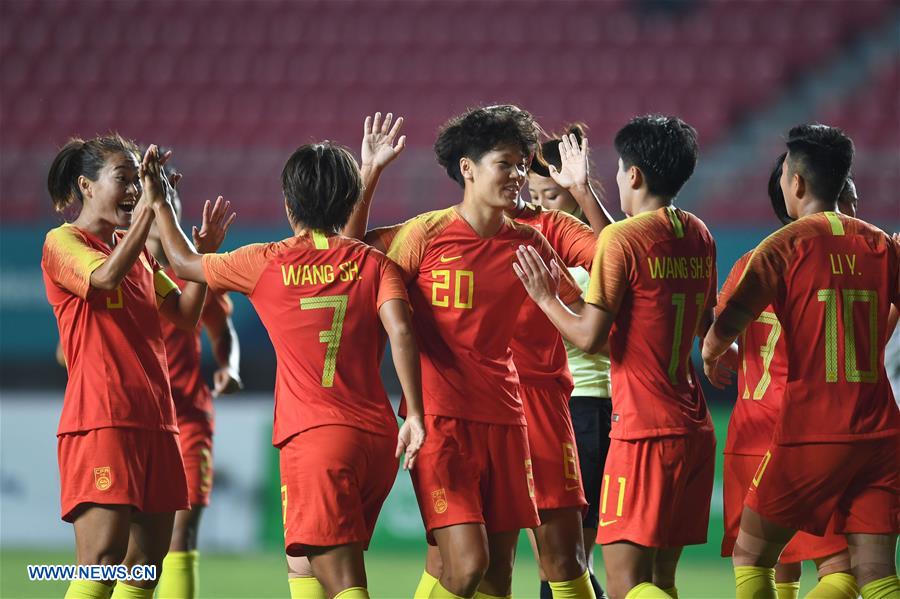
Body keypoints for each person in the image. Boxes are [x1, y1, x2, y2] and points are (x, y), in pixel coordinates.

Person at [150, 140, 425, 599]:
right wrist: (413, 413)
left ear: (287, 202)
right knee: (303, 565)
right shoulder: (374, 262)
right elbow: (402, 332)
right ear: (347, 198)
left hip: (315, 437)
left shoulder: (266, 261)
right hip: (376, 438)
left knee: (341, 578)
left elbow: (182, 263)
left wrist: (159, 202)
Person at [356, 105, 584, 599]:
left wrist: (550, 300)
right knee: (466, 565)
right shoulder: (422, 235)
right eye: (506, 163)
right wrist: (369, 175)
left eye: (523, 164)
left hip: (506, 421)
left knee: (497, 576)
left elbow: (587, 321)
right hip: (440, 421)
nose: (519, 175)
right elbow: (348, 254)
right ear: (468, 168)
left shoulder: (530, 244)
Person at [514, 115, 717, 599]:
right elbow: (706, 325)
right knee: (660, 580)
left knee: (613, 580)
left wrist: (546, 298)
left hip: (635, 427)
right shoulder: (699, 233)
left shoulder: (619, 242)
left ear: (631, 175)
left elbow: (589, 334)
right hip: (692, 425)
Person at [702, 124, 899, 599]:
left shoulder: (783, 245)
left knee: (754, 556)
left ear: (797, 184)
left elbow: (730, 319)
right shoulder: (882, 246)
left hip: (812, 430)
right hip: (880, 432)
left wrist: (711, 352)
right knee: (874, 571)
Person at [42, 138, 231, 599]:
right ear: (86, 186)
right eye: (122, 180)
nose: (132, 191)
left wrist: (200, 259)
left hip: (158, 424)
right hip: (102, 421)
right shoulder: (63, 242)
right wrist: (152, 206)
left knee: (146, 566)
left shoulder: (140, 253)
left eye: (137, 180)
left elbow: (186, 316)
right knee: (101, 562)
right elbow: (103, 280)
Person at [719, 154, 860, 599]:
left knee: (767, 561)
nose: (850, 209)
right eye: (846, 196)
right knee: (842, 568)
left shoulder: (746, 263)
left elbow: (721, 343)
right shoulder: (841, 261)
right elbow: (855, 352)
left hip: (749, 432)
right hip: (806, 431)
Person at [143, 159, 243, 599]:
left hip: (188, 420)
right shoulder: (119, 271)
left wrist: (229, 365)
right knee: (135, 546)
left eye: (171, 205)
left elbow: (225, 334)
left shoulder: (199, 277)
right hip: (137, 421)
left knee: (181, 534)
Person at [526, 125, 614, 599]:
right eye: (534, 195)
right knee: (555, 563)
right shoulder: (531, 246)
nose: (542, 207)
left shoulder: (588, 256)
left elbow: (598, 339)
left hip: (583, 407)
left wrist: (549, 298)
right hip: (538, 411)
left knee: (566, 562)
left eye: (553, 196)